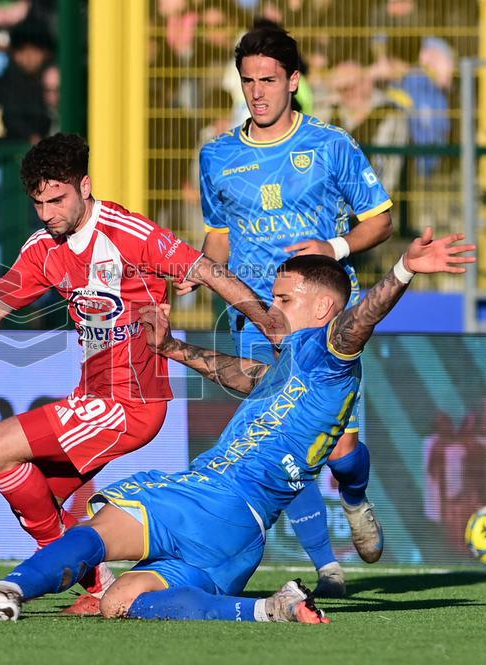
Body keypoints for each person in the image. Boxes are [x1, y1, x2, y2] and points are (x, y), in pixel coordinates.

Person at [0, 228, 476, 623]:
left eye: (282, 298)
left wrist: (402, 270)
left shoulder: (330, 351)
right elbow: (244, 374)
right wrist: (173, 348)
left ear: (322, 310)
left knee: (101, 528)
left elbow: (358, 322)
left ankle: (8, 591)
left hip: (211, 496)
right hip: (238, 541)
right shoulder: (295, 367)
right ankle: (265, 610)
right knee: (120, 601)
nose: (270, 308)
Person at [0, 133, 282, 612]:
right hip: (94, 393)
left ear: (85, 186)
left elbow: (206, 270)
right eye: (38, 202)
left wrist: (269, 322)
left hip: (131, 399)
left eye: (57, 199)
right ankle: (103, 587)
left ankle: (81, 584)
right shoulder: (43, 249)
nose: (46, 212)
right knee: (37, 500)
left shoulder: (128, 232)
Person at [177, 26, 394, 596]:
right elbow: (219, 238)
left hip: (323, 317)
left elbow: (381, 220)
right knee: (282, 445)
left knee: (337, 447)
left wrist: (335, 248)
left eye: (268, 80)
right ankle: (328, 568)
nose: (257, 92)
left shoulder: (331, 145)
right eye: (248, 81)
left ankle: (353, 494)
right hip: (258, 321)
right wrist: (197, 274)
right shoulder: (218, 155)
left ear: (293, 82)